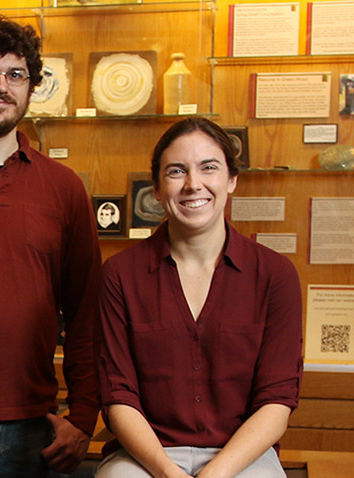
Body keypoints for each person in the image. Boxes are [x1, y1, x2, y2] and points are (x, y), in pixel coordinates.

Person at [96, 117, 303, 478]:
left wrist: (215, 474)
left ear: (232, 180)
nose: (194, 185)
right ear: (157, 189)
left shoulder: (275, 275)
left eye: (209, 168)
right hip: (146, 457)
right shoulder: (119, 275)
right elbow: (118, 397)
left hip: (242, 456)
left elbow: (277, 401)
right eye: (177, 171)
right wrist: (166, 472)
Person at [0, 13, 103, 478]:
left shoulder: (64, 187)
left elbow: (86, 313)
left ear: (31, 88)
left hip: (36, 427)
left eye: (16, 75)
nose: (1, 86)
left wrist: (83, 417)